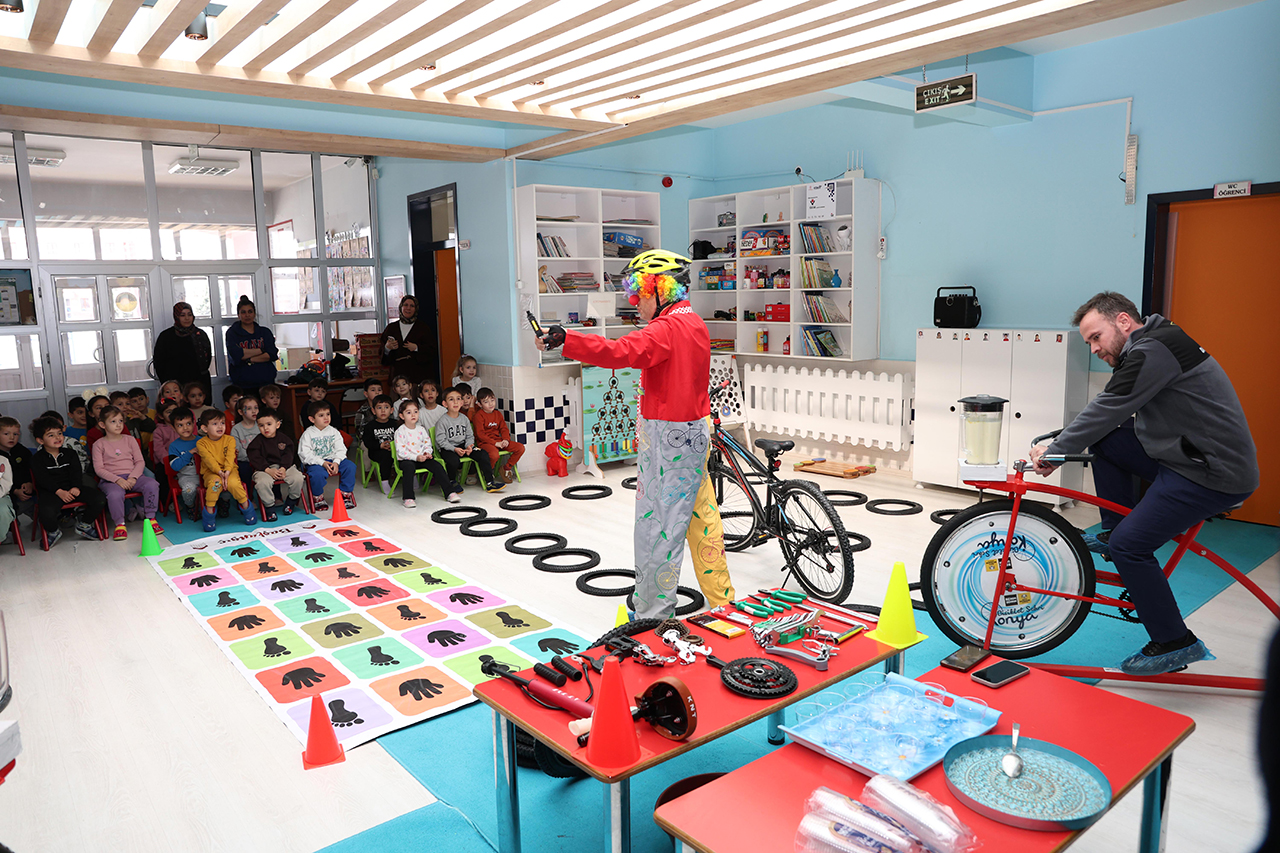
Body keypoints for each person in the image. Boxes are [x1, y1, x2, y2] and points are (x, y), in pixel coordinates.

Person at [1030, 291, 1259, 676]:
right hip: (1188, 455)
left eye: (1096, 337)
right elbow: (1110, 409)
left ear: (1123, 321)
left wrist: (1056, 451)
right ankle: (1113, 529)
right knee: (1107, 439)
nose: (1094, 349)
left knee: (1130, 546)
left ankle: (1174, 642)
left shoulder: (1154, 349)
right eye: (1089, 343)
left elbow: (1109, 406)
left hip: (1212, 473)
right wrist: (1063, 441)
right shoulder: (1152, 343)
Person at [537, 249, 726, 619]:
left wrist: (567, 339)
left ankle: (653, 614)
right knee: (702, 522)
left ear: (660, 289)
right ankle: (723, 602)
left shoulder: (666, 329)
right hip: (694, 433)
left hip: (668, 441)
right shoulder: (694, 322)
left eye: (639, 293)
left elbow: (620, 352)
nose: (634, 301)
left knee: (658, 529)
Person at [30, 415, 104, 546]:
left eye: (59, 433)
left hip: (72, 488)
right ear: (40, 440)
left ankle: (84, 525)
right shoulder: (37, 459)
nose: (57, 437)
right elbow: (42, 479)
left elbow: (76, 473)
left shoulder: (70, 454)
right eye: (51, 435)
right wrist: (58, 491)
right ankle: (53, 532)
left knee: (100, 498)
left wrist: (76, 487)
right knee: (46, 511)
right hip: (52, 492)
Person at [92, 405, 162, 541]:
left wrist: (133, 477)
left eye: (120, 421)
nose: (118, 425)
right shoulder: (99, 444)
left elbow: (140, 462)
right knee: (115, 494)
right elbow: (99, 469)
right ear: (102, 424)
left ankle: (151, 518)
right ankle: (120, 524)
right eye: (113, 421)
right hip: (111, 480)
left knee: (152, 484)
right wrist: (117, 480)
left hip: (133, 476)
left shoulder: (130, 440)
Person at [195, 409, 257, 532]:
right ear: (205, 428)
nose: (220, 427)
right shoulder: (201, 443)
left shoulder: (230, 440)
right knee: (215, 484)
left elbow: (230, 457)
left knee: (234, 484)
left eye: (222, 423)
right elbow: (209, 460)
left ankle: (247, 509)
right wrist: (219, 473)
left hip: (230, 470)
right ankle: (209, 513)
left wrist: (227, 472)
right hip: (211, 472)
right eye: (215, 424)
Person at [435, 386, 503, 494]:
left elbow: (470, 436)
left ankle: (490, 482)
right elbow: (441, 441)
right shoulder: (442, 421)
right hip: (449, 448)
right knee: (453, 461)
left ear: (462, 402)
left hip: (464, 446)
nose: (456, 402)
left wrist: (469, 446)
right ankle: (452, 481)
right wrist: (454, 449)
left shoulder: (464, 419)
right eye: (451, 399)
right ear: (445, 404)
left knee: (483, 454)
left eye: (458, 399)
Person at [297, 400, 356, 513]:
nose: (326, 418)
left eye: (328, 414)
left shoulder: (334, 431)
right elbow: (305, 454)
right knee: (317, 474)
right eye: (321, 415)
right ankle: (318, 498)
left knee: (350, 466)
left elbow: (341, 449)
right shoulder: (308, 434)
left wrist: (336, 462)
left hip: (333, 460)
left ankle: (345, 495)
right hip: (316, 463)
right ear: (312, 419)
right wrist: (322, 462)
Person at [394, 399, 456, 507]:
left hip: (422, 458)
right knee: (408, 468)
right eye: (408, 412)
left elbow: (427, 443)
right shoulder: (400, 431)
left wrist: (427, 453)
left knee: (437, 466)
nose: (413, 415)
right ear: (402, 416)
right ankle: (408, 498)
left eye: (415, 411)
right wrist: (416, 457)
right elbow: (401, 452)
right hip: (407, 460)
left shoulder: (421, 429)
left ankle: (449, 493)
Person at [246, 408, 304, 521]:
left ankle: (291, 501)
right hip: (264, 469)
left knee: (298, 478)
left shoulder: (284, 439)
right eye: (261, 425)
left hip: (284, 467)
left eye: (269, 424)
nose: (265, 428)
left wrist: (283, 468)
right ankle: (269, 507)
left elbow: (289, 455)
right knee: (262, 482)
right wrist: (267, 469)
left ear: (277, 425)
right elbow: (255, 458)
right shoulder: (256, 442)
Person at [153, 302, 213, 401]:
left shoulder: (200, 335)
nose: (187, 318)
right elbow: (159, 363)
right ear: (176, 316)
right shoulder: (166, 336)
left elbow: (207, 359)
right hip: (175, 387)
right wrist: (169, 385)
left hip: (199, 383)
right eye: (182, 315)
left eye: (189, 315)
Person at [224, 296, 279, 393]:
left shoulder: (265, 332)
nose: (247, 315)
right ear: (238, 315)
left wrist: (249, 359)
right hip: (242, 384)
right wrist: (262, 350)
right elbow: (237, 355)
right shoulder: (232, 333)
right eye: (243, 312)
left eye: (250, 312)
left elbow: (272, 354)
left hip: (266, 382)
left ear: (254, 314)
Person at [470, 387, 523, 483]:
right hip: (485, 443)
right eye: (486, 402)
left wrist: (505, 440)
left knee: (520, 448)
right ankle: (487, 473)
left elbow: (504, 429)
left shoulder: (497, 414)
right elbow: (480, 435)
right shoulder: (478, 416)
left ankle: (506, 468)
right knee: (494, 455)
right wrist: (495, 443)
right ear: (480, 404)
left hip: (498, 441)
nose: (491, 404)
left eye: (492, 400)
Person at [380, 295, 436, 384]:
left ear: (416, 309)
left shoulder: (423, 328)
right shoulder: (391, 328)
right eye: (405, 305)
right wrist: (387, 348)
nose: (408, 308)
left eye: (412, 306)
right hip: (397, 377)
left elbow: (432, 350)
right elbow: (382, 355)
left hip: (418, 377)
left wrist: (417, 348)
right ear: (401, 307)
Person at [0, 416, 35, 531]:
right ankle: (10, 522)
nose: (12, 438)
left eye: (15, 434)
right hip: (8, 494)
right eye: (6, 434)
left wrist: (30, 483)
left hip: (27, 491)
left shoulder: (22, 451)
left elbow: (32, 469)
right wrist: (15, 491)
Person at [362, 394, 400, 494]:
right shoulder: (370, 426)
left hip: (395, 450)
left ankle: (411, 477)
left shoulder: (396, 424)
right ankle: (385, 481)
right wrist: (380, 446)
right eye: (379, 408)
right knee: (385, 456)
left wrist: (394, 446)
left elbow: (402, 438)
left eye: (386, 407)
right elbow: (367, 441)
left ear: (391, 410)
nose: (383, 411)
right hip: (376, 451)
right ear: (373, 411)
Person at [167, 408, 200, 522]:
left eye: (188, 424)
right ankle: (190, 506)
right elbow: (175, 466)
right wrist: (189, 453)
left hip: (205, 475)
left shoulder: (202, 441)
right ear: (173, 427)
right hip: (187, 477)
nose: (185, 428)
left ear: (194, 423)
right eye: (180, 425)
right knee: (188, 490)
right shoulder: (174, 446)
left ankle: (219, 505)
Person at [231, 394, 261, 484]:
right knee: (244, 469)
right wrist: (252, 458)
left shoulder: (261, 425)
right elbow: (237, 450)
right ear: (240, 412)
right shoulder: (236, 429)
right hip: (245, 461)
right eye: (249, 409)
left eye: (256, 408)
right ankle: (247, 492)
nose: (254, 411)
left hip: (262, 459)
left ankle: (275, 492)